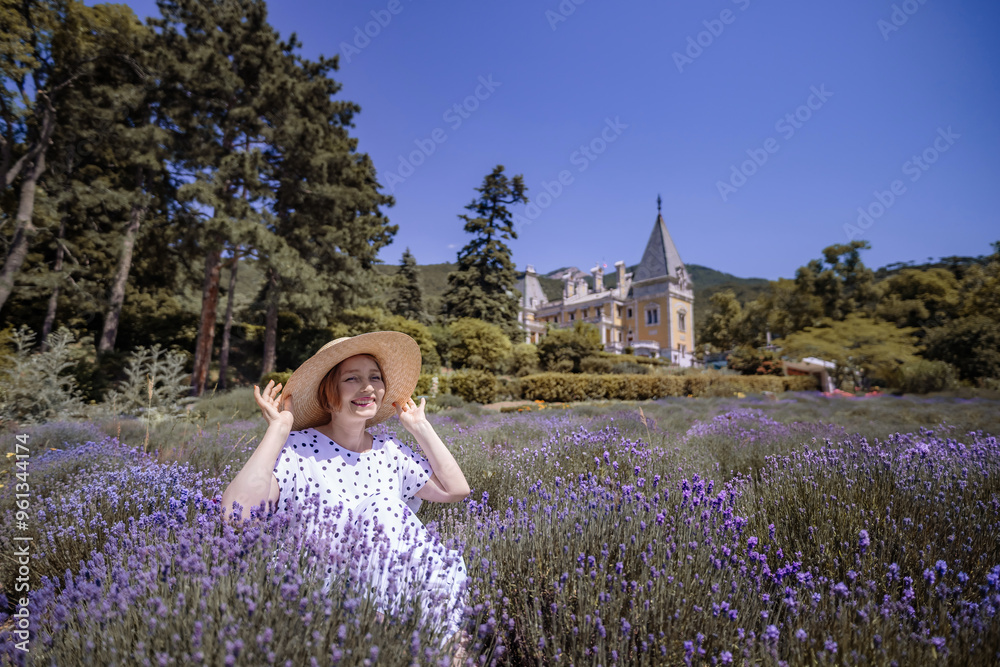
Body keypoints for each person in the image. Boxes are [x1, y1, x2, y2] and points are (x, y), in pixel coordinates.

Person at [220, 331, 471, 650]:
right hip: (327, 595)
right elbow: (237, 514)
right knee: (384, 506)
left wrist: (420, 427)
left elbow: (455, 489)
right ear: (328, 394)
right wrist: (278, 431)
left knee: (390, 513)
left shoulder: (389, 451)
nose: (368, 387)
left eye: (375, 377)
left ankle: (441, 639)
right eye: (352, 378)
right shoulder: (298, 449)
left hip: (399, 589)